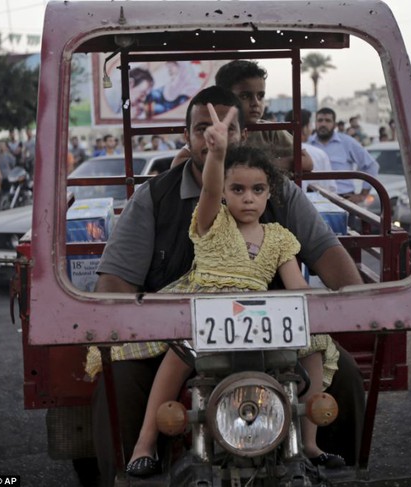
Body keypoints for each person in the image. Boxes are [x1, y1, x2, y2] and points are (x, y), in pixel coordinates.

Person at [90, 86, 364, 485]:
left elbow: (327, 255)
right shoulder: (156, 197)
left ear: (244, 136)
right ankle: (138, 463)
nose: (213, 136)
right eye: (202, 127)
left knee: (346, 374)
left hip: (271, 331)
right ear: (187, 136)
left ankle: (325, 460)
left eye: (226, 128)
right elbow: (114, 283)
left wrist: (353, 303)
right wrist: (158, 320)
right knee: (118, 380)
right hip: (177, 329)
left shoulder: (281, 193)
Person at [214, 60, 313, 173]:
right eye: (245, 96)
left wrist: (260, 165)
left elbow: (307, 162)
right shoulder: (213, 130)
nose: (256, 103)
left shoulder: (271, 131)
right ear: (224, 97)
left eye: (260, 96)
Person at [308, 107, 379, 203]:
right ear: (315, 123)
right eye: (320, 120)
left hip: (343, 200)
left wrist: (362, 195)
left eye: (328, 121)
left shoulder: (347, 142)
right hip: (314, 199)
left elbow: (372, 166)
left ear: (334, 125)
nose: (323, 124)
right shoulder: (308, 144)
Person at [284, 108, 337, 193]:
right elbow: (330, 189)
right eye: (310, 125)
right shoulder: (319, 154)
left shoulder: (278, 152)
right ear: (305, 128)